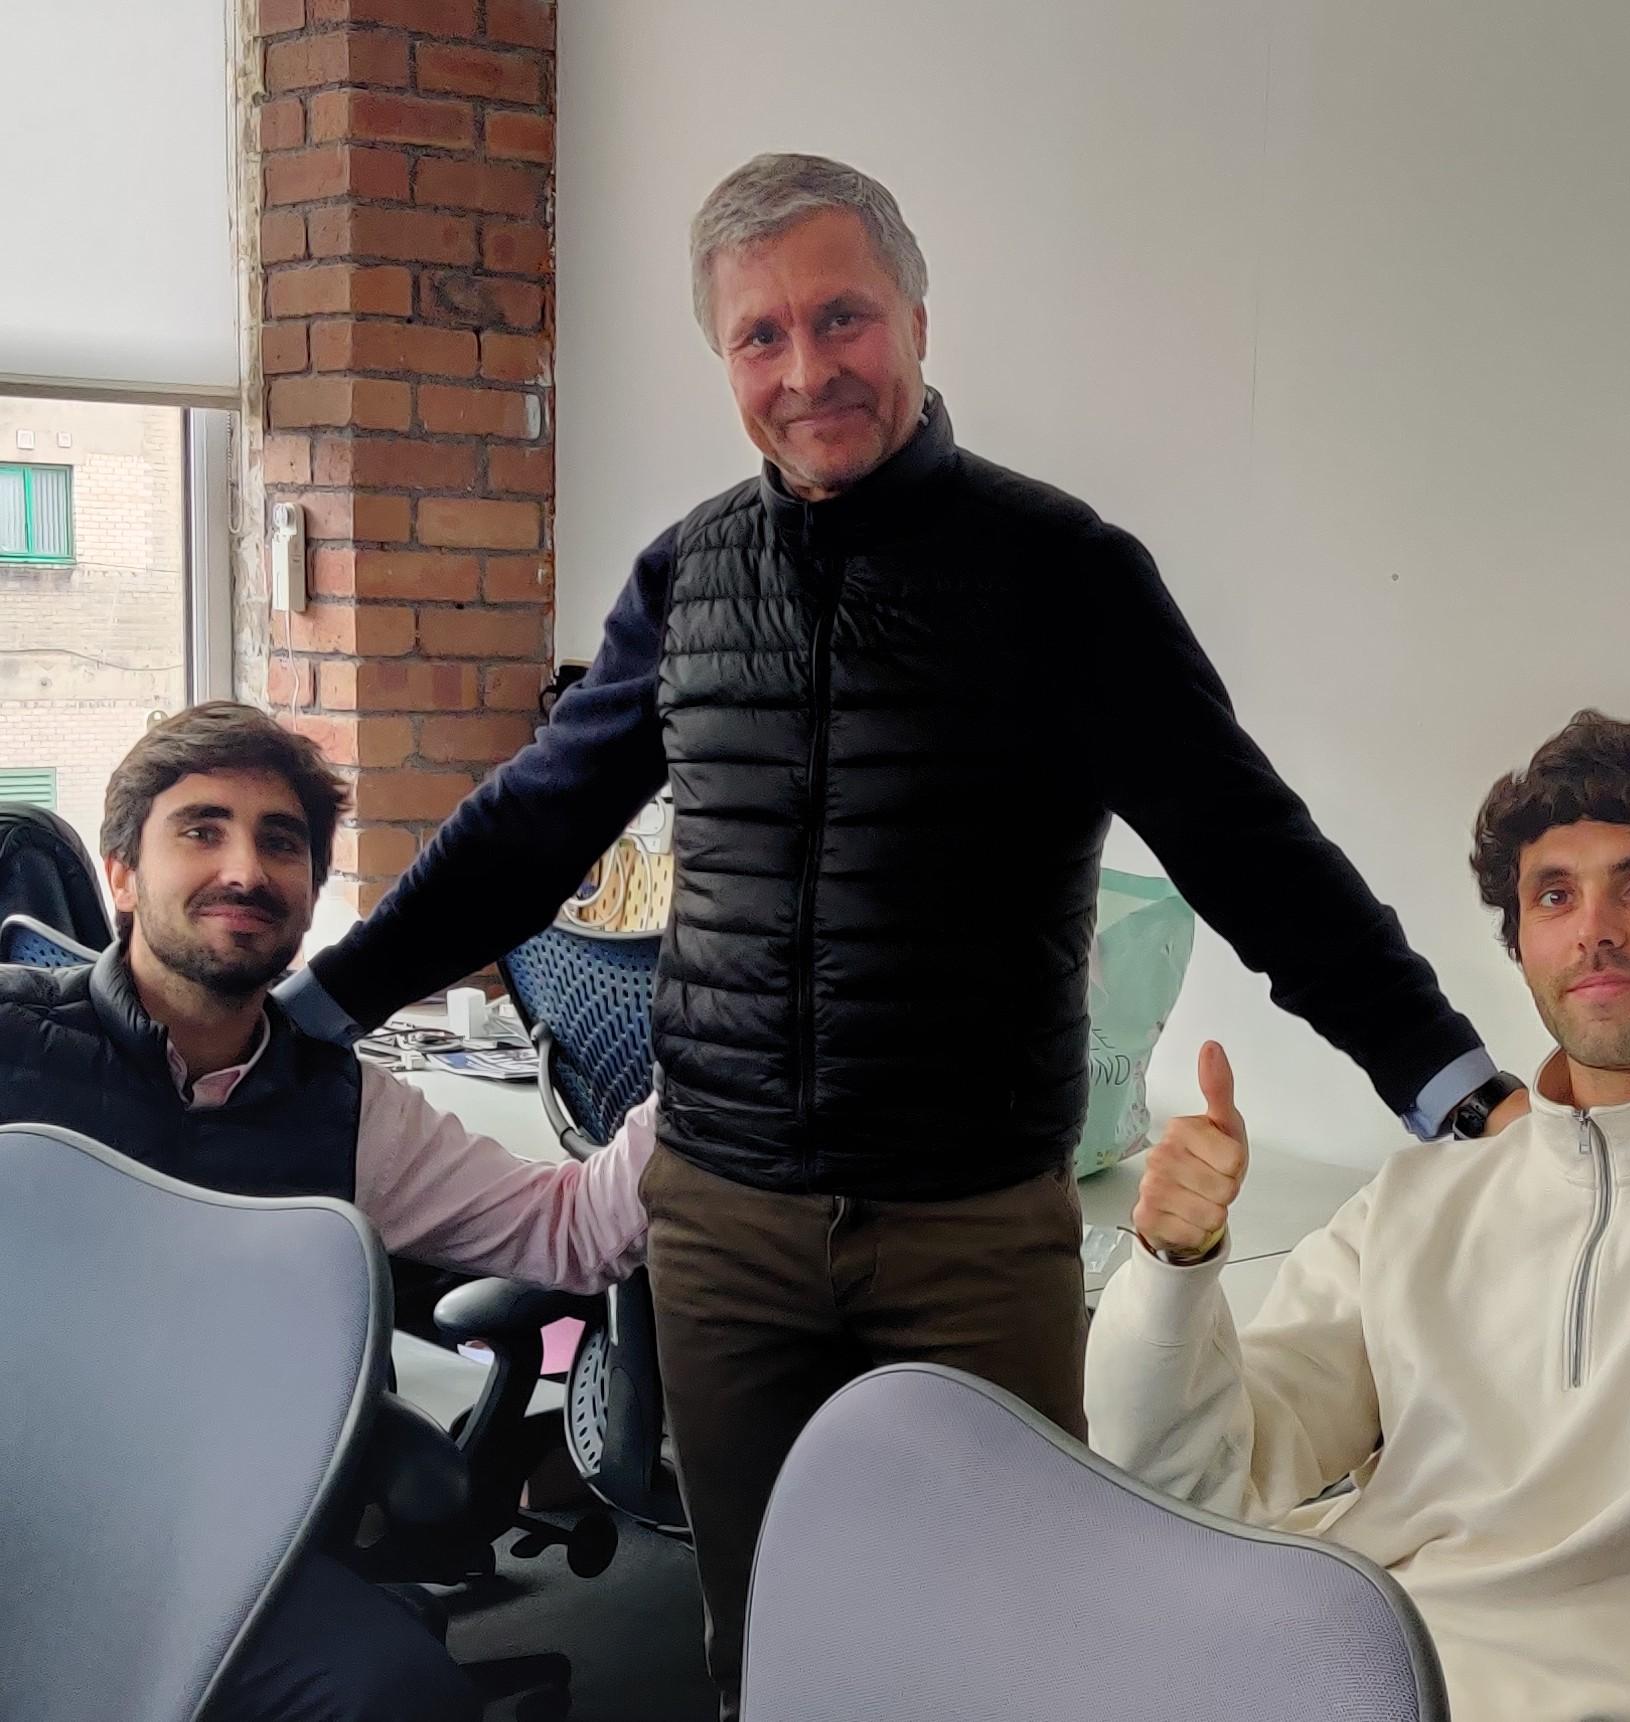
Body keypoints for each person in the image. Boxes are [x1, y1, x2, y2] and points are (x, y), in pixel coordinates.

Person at [276, 152, 1521, 1715]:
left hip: (966, 1227)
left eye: (843, 315)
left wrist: (1439, 1069)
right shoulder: (688, 577)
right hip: (722, 1220)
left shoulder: (1064, 573)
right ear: (724, 357)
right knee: (762, 1622)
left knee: (994, 1632)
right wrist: (324, 1003)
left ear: (918, 319)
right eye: (761, 336)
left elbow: (1247, 844)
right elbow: (535, 824)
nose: (808, 370)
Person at [1087, 710, 1630, 1721]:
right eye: (1553, 895)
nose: (1594, 927)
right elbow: (1195, 1488)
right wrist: (1175, 1266)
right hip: (1305, 1669)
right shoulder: (1419, 1202)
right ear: (1520, 944)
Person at [0, 702, 656, 1722]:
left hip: (229, 1563)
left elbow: (577, 1233)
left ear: (310, 894)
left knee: (402, 1695)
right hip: (23, 1524)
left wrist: (711, 1050)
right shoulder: (14, 1043)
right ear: (122, 873)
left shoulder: (344, 1109)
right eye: (201, 829)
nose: (246, 871)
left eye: (281, 842)